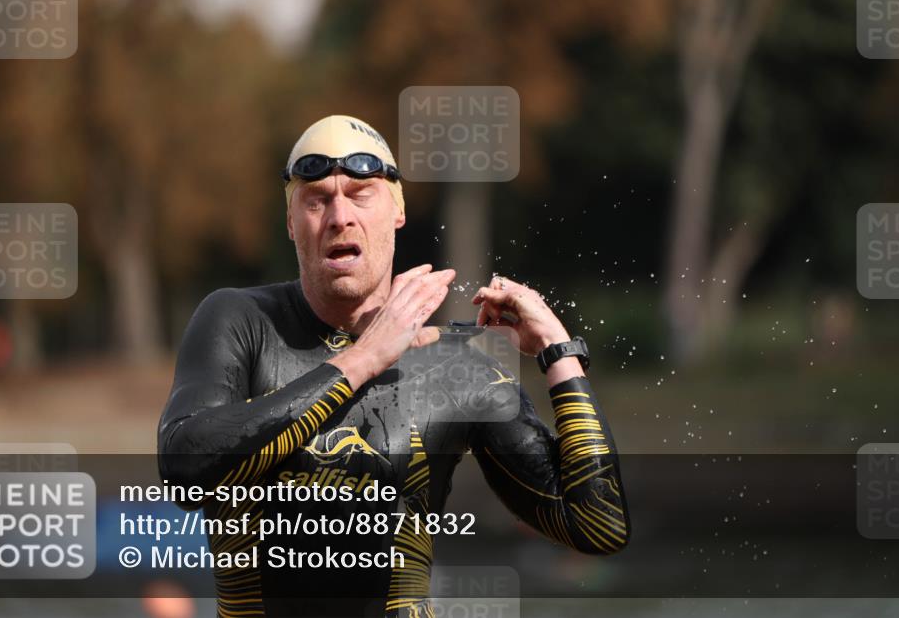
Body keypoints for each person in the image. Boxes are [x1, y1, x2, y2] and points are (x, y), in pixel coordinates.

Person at [158, 115, 630, 618]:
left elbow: (596, 525)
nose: (340, 216)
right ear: (291, 222)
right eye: (316, 200)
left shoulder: (455, 366)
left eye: (361, 194)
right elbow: (185, 470)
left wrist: (559, 352)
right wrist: (364, 358)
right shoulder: (240, 320)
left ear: (397, 211)